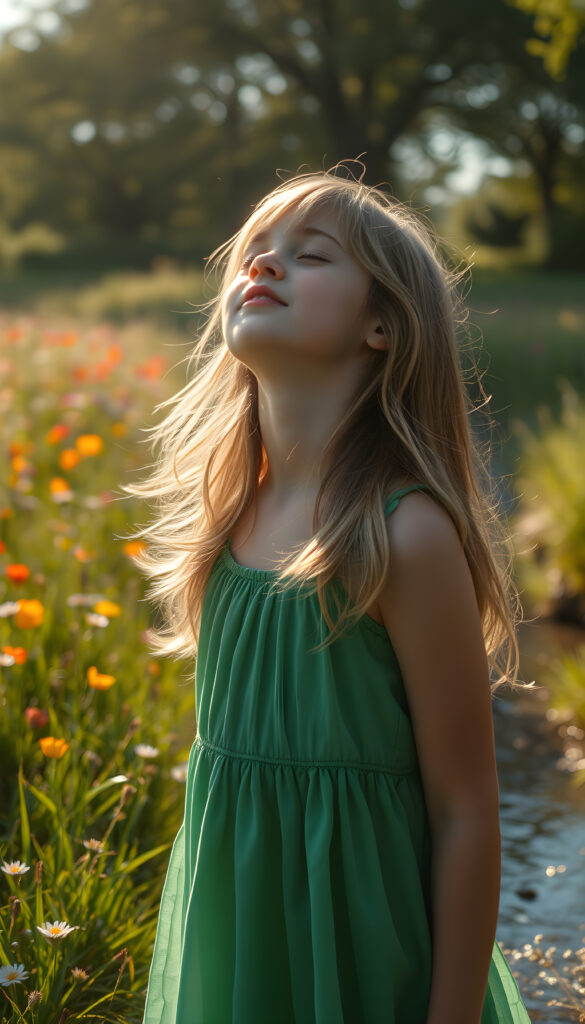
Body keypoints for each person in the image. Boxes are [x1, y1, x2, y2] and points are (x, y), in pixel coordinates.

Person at [124, 161, 533, 1023]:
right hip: (237, 941)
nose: (262, 266)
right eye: (254, 251)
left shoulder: (404, 536)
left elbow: (464, 811)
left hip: (361, 956)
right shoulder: (227, 515)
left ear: (381, 324)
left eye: (308, 256)